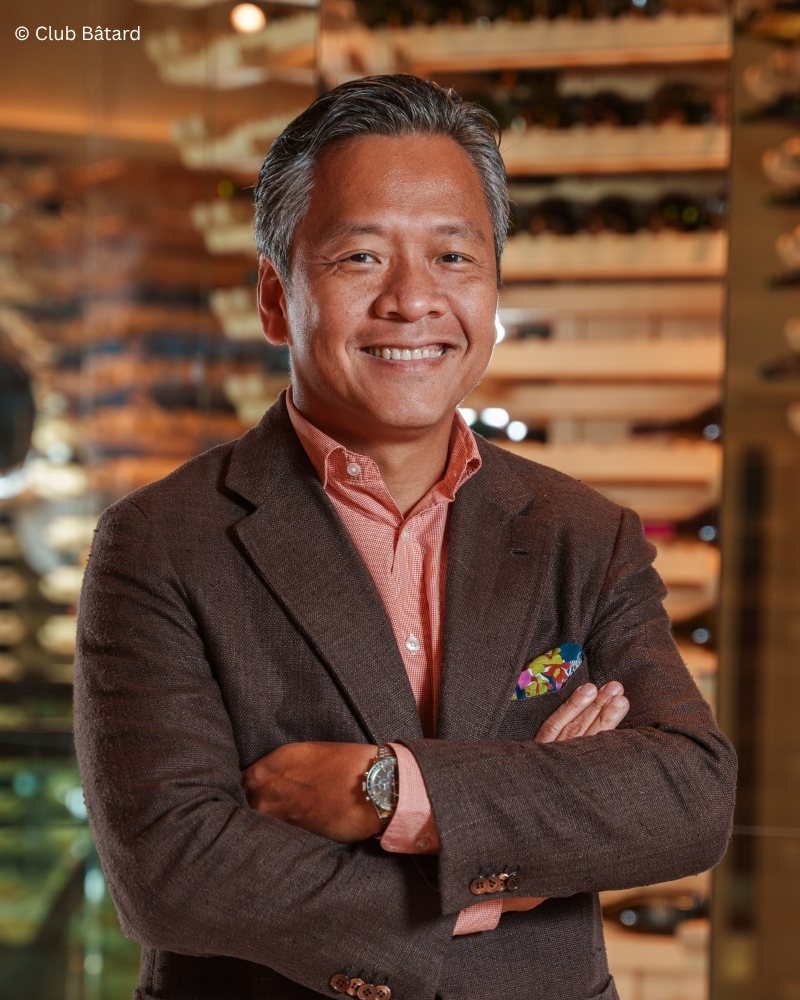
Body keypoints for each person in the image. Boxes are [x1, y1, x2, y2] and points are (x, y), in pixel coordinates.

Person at [74, 75, 736, 1000]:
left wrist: (388, 790)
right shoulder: (162, 542)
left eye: (454, 256)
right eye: (360, 257)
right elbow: (174, 870)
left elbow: (687, 798)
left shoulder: (586, 535)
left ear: (493, 289)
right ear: (274, 297)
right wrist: (504, 860)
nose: (413, 300)